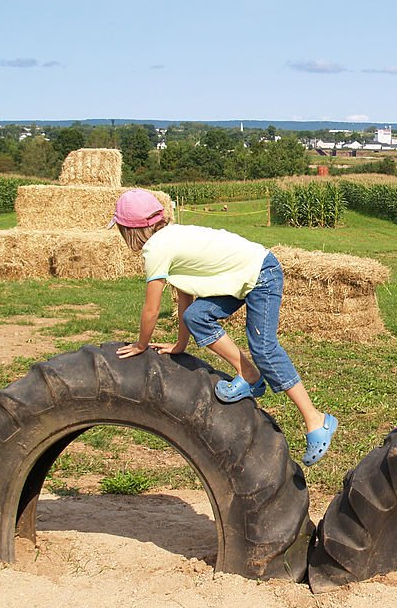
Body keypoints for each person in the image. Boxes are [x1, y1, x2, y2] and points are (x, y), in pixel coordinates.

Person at [110, 189, 337, 466]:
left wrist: (141, 344)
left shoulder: (156, 248)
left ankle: (316, 419)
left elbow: (151, 309)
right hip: (243, 274)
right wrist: (181, 344)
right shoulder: (173, 236)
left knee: (264, 348)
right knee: (197, 316)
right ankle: (250, 376)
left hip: (260, 274)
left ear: (130, 229)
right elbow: (184, 296)